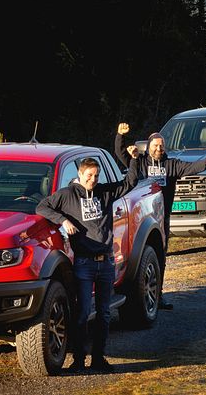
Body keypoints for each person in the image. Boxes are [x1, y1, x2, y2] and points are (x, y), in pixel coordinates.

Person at [36, 157, 139, 373]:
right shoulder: (67, 195)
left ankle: (99, 358)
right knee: (82, 312)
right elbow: (42, 207)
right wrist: (63, 220)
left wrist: (133, 159)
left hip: (106, 262)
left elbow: (130, 183)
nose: (93, 179)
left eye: (96, 175)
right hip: (83, 264)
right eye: (89, 175)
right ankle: (79, 359)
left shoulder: (104, 192)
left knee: (104, 313)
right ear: (80, 175)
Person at [114, 123, 206, 309]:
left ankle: (158, 294)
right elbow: (121, 154)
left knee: (161, 257)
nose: (158, 148)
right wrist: (120, 136)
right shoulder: (139, 162)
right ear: (148, 147)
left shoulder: (171, 165)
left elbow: (193, 167)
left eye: (161, 146)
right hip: (142, 218)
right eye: (155, 146)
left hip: (162, 217)